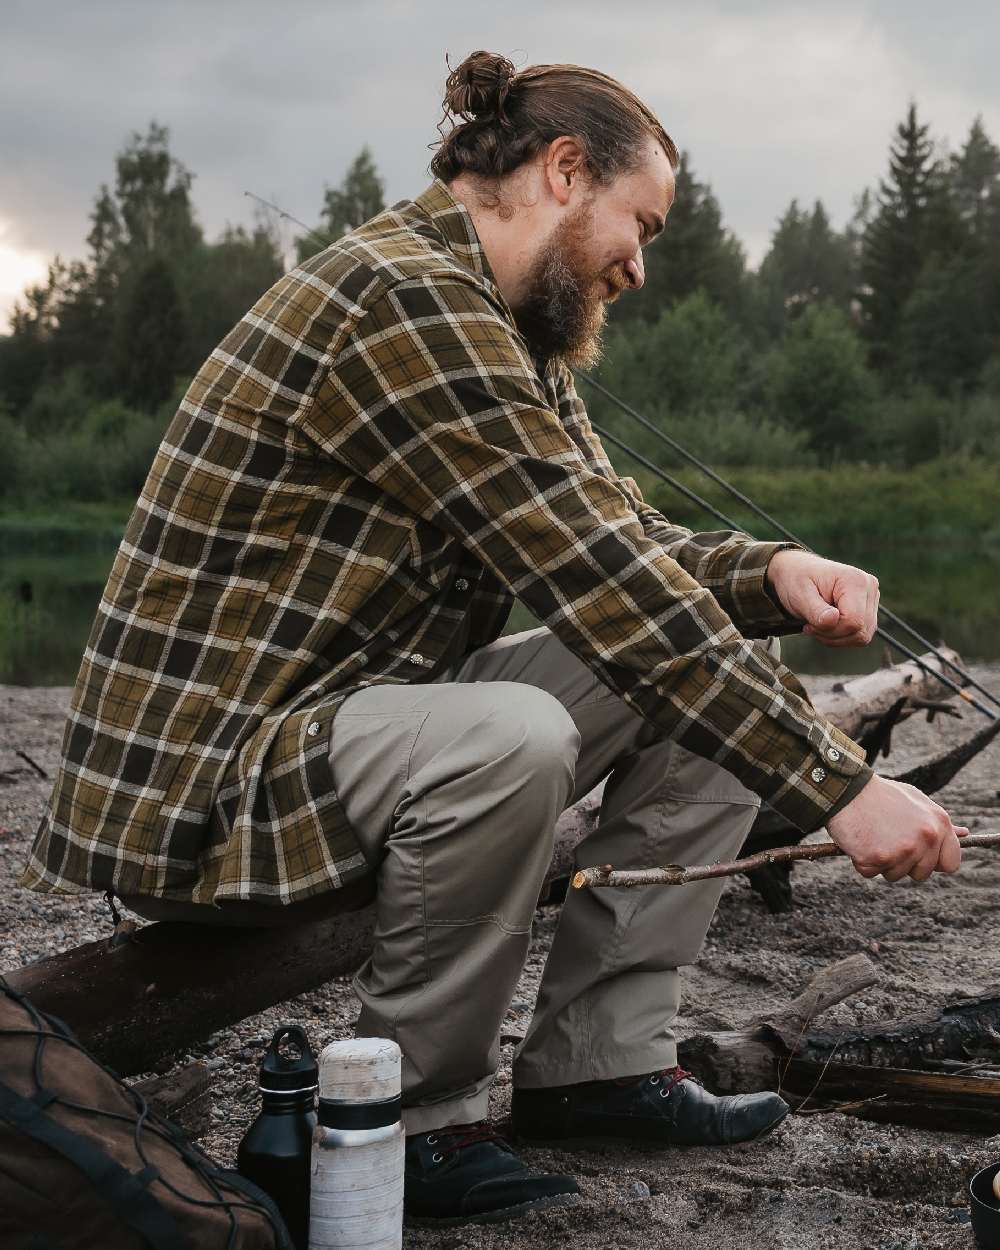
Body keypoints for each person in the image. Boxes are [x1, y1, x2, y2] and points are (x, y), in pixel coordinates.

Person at [22, 51, 967, 1227]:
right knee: (510, 734)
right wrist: (840, 785)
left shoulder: (505, 322)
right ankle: (403, 1120)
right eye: (642, 223)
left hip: (338, 725)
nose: (640, 262)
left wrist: (768, 573)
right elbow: (593, 575)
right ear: (565, 172)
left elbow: (614, 532)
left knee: (720, 648)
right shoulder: (402, 299)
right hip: (206, 783)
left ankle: (599, 1062)